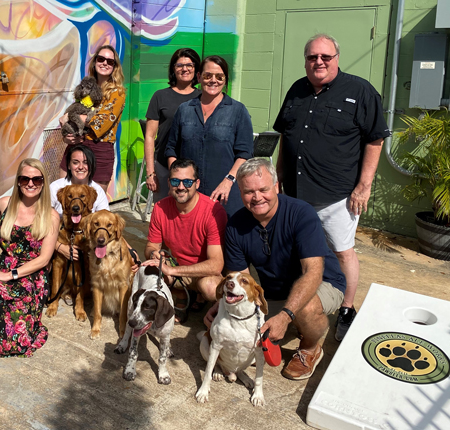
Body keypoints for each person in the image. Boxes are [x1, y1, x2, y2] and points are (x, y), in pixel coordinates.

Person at [273, 34, 390, 341]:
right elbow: (286, 134)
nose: (319, 62)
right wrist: (279, 174)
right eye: (312, 57)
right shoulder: (297, 90)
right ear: (306, 60)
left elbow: (375, 139)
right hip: (296, 194)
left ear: (337, 58)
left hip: (337, 196)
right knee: (299, 253)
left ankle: (347, 308)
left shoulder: (361, 91)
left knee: (341, 253)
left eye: (325, 56)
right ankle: (304, 302)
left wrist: (363, 186)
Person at [209, 158, 346, 380]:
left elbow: (313, 271)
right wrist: (224, 305)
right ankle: (293, 318)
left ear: (276, 186)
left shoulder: (301, 213)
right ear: (241, 192)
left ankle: (310, 348)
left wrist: (286, 315)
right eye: (248, 191)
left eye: (263, 189)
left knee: (306, 308)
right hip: (275, 291)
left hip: (323, 281)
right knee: (242, 325)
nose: (257, 197)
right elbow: (241, 278)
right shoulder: (236, 225)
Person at [0, 159, 60, 356]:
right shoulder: (4, 205)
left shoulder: (50, 215)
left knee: (17, 338)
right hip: (4, 267)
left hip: (32, 276)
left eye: (36, 179)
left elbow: (44, 259)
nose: (31, 183)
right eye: (25, 178)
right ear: (18, 181)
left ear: (43, 182)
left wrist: (11, 275)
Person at [165, 55, 253, 219]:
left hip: (224, 195)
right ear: (199, 77)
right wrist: (175, 179)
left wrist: (228, 181)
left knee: (223, 241)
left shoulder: (238, 111)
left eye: (219, 77)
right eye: (207, 75)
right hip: (189, 194)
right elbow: (171, 148)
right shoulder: (184, 110)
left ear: (225, 80)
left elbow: (245, 153)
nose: (213, 80)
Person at [143, 158, 227, 323]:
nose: (181, 187)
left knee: (210, 288)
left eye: (187, 182)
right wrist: (154, 253)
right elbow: (150, 246)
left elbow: (216, 265)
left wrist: (172, 271)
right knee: (148, 273)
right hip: (175, 266)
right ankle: (180, 296)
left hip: (201, 273)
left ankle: (211, 306)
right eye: (175, 181)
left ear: (197, 183)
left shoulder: (214, 210)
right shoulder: (160, 208)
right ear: (169, 182)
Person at [59, 44, 126, 193]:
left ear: (115, 67)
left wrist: (69, 116)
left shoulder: (117, 93)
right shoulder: (86, 86)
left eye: (110, 61)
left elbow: (99, 124)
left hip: (100, 149)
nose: (105, 63)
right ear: (95, 61)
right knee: (64, 199)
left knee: (93, 204)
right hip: (76, 145)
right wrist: (66, 138)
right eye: (101, 59)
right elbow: (73, 114)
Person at [144, 48, 202, 201]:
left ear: (196, 69)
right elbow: (149, 136)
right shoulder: (160, 96)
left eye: (190, 65)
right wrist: (151, 173)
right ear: (173, 69)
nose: (185, 69)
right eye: (179, 65)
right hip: (164, 167)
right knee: (164, 214)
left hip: (193, 169)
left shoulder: (202, 97)